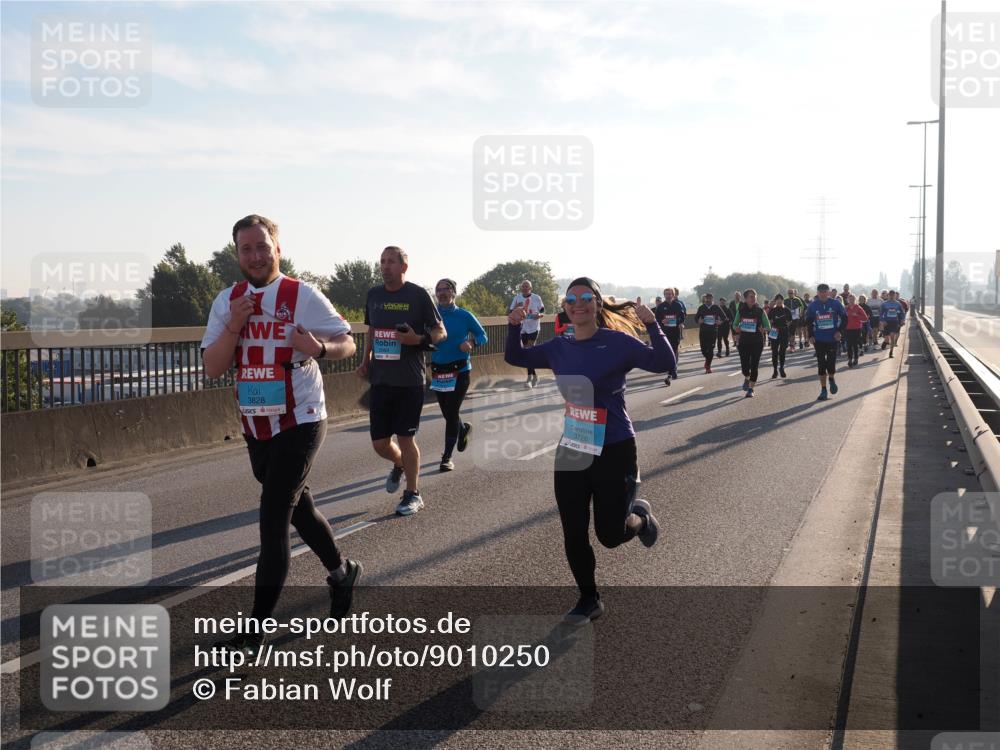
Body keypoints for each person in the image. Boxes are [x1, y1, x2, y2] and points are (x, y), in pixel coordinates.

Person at [201, 214, 362, 653]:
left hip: (303, 417)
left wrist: (321, 349)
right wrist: (234, 324)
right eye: (246, 249)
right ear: (237, 254)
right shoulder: (226, 301)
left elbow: (349, 342)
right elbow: (213, 367)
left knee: (273, 516)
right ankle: (342, 573)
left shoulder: (301, 294)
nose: (255, 256)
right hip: (256, 422)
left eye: (262, 246)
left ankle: (255, 630)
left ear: (278, 247)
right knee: (298, 507)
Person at [505, 277, 675, 622]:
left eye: (585, 297)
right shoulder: (558, 346)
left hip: (614, 447)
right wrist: (513, 326)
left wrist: (653, 325)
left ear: (597, 304)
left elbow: (664, 363)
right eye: (571, 298)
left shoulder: (617, 342)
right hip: (573, 446)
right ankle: (589, 599)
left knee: (610, 535)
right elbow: (515, 355)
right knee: (573, 528)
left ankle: (639, 519)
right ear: (565, 307)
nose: (577, 303)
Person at [358, 246, 446, 516]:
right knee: (380, 443)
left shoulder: (418, 295)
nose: (385, 266)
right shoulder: (374, 295)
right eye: (382, 262)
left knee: (406, 438)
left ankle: (413, 493)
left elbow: (439, 331)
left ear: (403, 267)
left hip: (409, 380)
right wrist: (365, 360)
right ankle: (399, 464)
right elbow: (371, 329)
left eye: (391, 262)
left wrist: (417, 340)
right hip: (381, 379)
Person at [431, 278, 488, 472]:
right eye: (439, 290)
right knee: (448, 413)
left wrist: (472, 343)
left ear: (454, 292)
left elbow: (483, 335)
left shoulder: (464, 315)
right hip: (439, 372)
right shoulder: (431, 315)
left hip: (460, 370)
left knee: (452, 412)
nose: (442, 293)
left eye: (446, 289)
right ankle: (463, 429)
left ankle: (447, 457)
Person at [805, 283, 848, 401]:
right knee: (821, 364)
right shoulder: (813, 305)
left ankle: (831, 378)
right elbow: (808, 321)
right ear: (818, 293)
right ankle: (823, 389)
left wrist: (839, 331)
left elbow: (844, 318)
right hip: (818, 339)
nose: (823, 294)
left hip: (832, 339)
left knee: (831, 363)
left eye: (825, 292)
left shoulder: (835, 304)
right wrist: (811, 335)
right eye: (820, 292)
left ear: (828, 292)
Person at [732, 289, 770, 397]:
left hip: (757, 342)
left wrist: (765, 329)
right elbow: (734, 324)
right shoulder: (741, 310)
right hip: (744, 342)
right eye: (751, 297)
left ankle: (751, 389)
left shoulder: (760, 311)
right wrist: (737, 329)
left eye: (755, 296)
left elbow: (768, 326)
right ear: (745, 299)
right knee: (745, 368)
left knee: (754, 366)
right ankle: (747, 377)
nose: (753, 298)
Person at [509, 280, 545, 388]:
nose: (525, 288)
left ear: (531, 288)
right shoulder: (517, 298)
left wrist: (538, 315)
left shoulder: (536, 297)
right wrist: (516, 310)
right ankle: (534, 375)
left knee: (529, 349)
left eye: (527, 286)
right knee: (526, 351)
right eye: (523, 286)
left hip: (534, 327)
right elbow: (510, 311)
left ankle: (529, 378)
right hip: (522, 327)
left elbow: (542, 310)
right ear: (521, 288)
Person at [654, 288, 685, 385]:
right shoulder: (661, 306)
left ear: (673, 295)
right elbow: (657, 319)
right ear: (664, 295)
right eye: (666, 294)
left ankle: (673, 369)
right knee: (668, 350)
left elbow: (682, 316)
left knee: (674, 349)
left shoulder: (677, 305)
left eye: (670, 294)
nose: (668, 295)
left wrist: (679, 322)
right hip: (665, 331)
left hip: (675, 331)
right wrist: (662, 321)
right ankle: (672, 369)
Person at [695, 293, 726, 373]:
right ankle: (707, 359)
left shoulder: (716, 307)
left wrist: (720, 322)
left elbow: (724, 317)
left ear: (713, 299)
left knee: (711, 350)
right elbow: (696, 319)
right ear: (705, 299)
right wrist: (699, 321)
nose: (708, 300)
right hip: (703, 331)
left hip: (713, 331)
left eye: (710, 298)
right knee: (703, 350)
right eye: (707, 298)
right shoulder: (701, 308)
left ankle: (708, 366)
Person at [768, 294, 792, 378]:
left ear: (782, 301)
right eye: (777, 299)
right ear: (775, 301)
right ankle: (775, 370)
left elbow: (789, 321)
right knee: (774, 352)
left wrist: (784, 327)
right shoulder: (772, 310)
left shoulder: (787, 310)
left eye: (780, 299)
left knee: (782, 351)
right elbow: (769, 321)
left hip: (784, 331)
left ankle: (781, 368)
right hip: (774, 331)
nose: (779, 301)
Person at [844, 294, 869, 368]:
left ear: (855, 300)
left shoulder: (858, 307)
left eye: (852, 299)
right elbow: (841, 317)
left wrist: (857, 315)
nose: (851, 301)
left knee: (854, 345)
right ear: (847, 300)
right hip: (847, 329)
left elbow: (865, 318)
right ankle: (849, 359)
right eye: (850, 299)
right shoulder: (846, 308)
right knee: (849, 345)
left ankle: (856, 358)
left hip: (856, 329)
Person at [880, 290, 905, 358]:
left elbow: (902, 313)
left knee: (892, 336)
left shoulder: (898, 304)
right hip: (887, 322)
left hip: (894, 322)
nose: (891, 296)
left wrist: (903, 320)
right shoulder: (884, 304)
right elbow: (881, 314)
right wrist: (883, 321)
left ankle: (891, 352)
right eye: (890, 295)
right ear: (888, 295)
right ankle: (885, 342)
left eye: (893, 295)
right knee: (887, 337)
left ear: (895, 296)